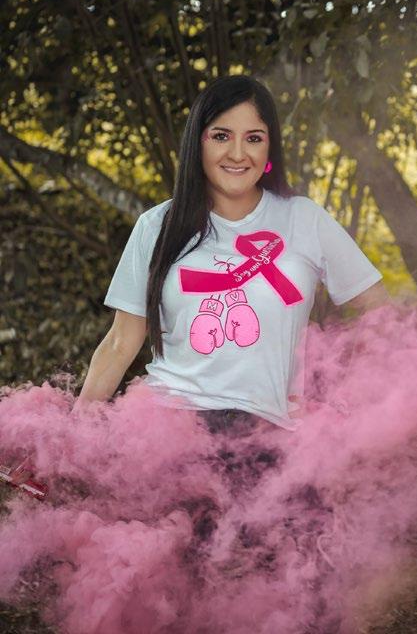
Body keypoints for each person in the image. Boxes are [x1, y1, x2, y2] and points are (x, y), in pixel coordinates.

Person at [77, 74, 389, 435]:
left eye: (253, 138)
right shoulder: (157, 225)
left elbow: (379, 311)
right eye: (221, 136)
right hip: (171, 430)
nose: (238, 154)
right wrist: (70, 436)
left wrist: (349, 395)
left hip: (271, 433)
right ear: (198, 142)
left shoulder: (304, 219)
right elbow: (120, 342)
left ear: (269, 148)